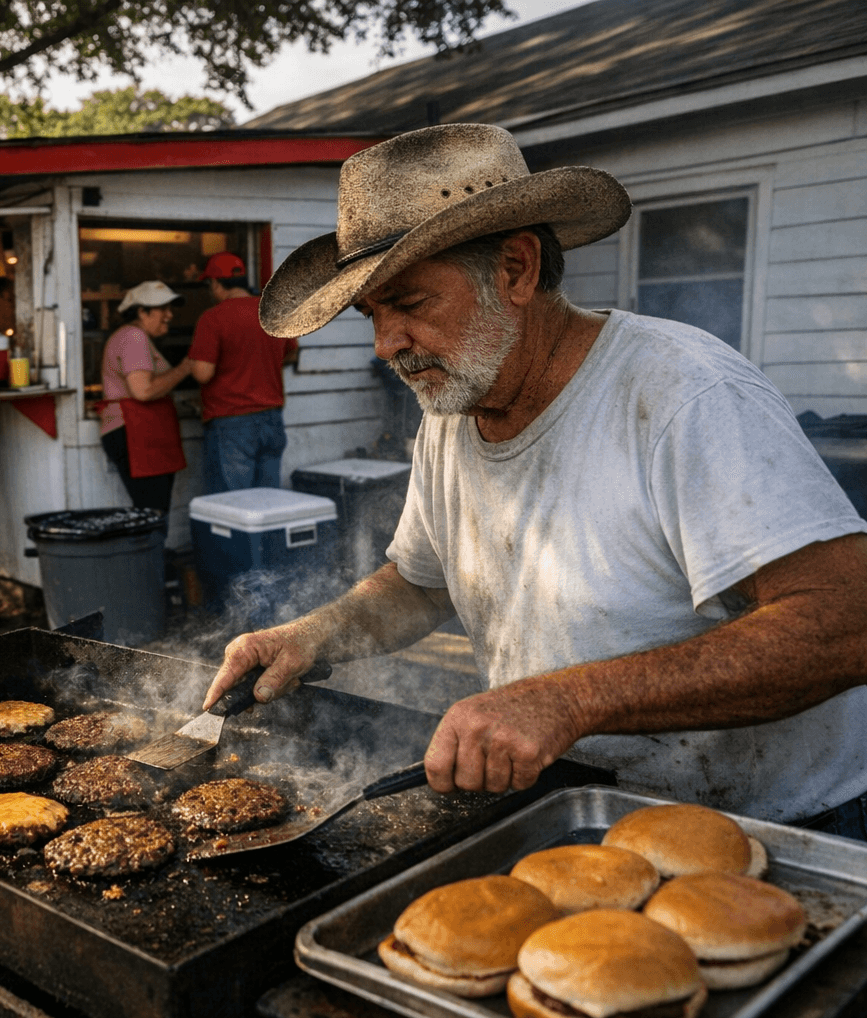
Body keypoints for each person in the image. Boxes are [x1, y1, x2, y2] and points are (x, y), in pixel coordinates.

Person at [204, 124, 867, 836]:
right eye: (373, 314)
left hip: (773, 830)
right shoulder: (452, 410)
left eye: (410, 303)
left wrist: (568, 701)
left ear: (516, 270)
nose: (385, 344)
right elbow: (422, 583)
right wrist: (314, 635)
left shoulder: (685, 394)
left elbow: (844, 623)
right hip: (579, 817)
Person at [188, 252, 299, 493]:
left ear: (216, 284)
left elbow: (202, 374)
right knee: (267, 501)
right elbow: (291, 353)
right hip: (271, 418)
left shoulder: (213, 318)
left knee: (235, 507)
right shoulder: (271, 311)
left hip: (232, 422)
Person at [98, 282, 195, 513]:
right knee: (152, 512)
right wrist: (185, 367)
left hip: (139, 431)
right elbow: (143, 391)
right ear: (142, 311)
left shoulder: (133, 336)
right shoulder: (134, 337)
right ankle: (150, 550)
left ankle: (153, 549)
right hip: (133, 430)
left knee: (152, 510)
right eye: (163, 309)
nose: (170, 315)